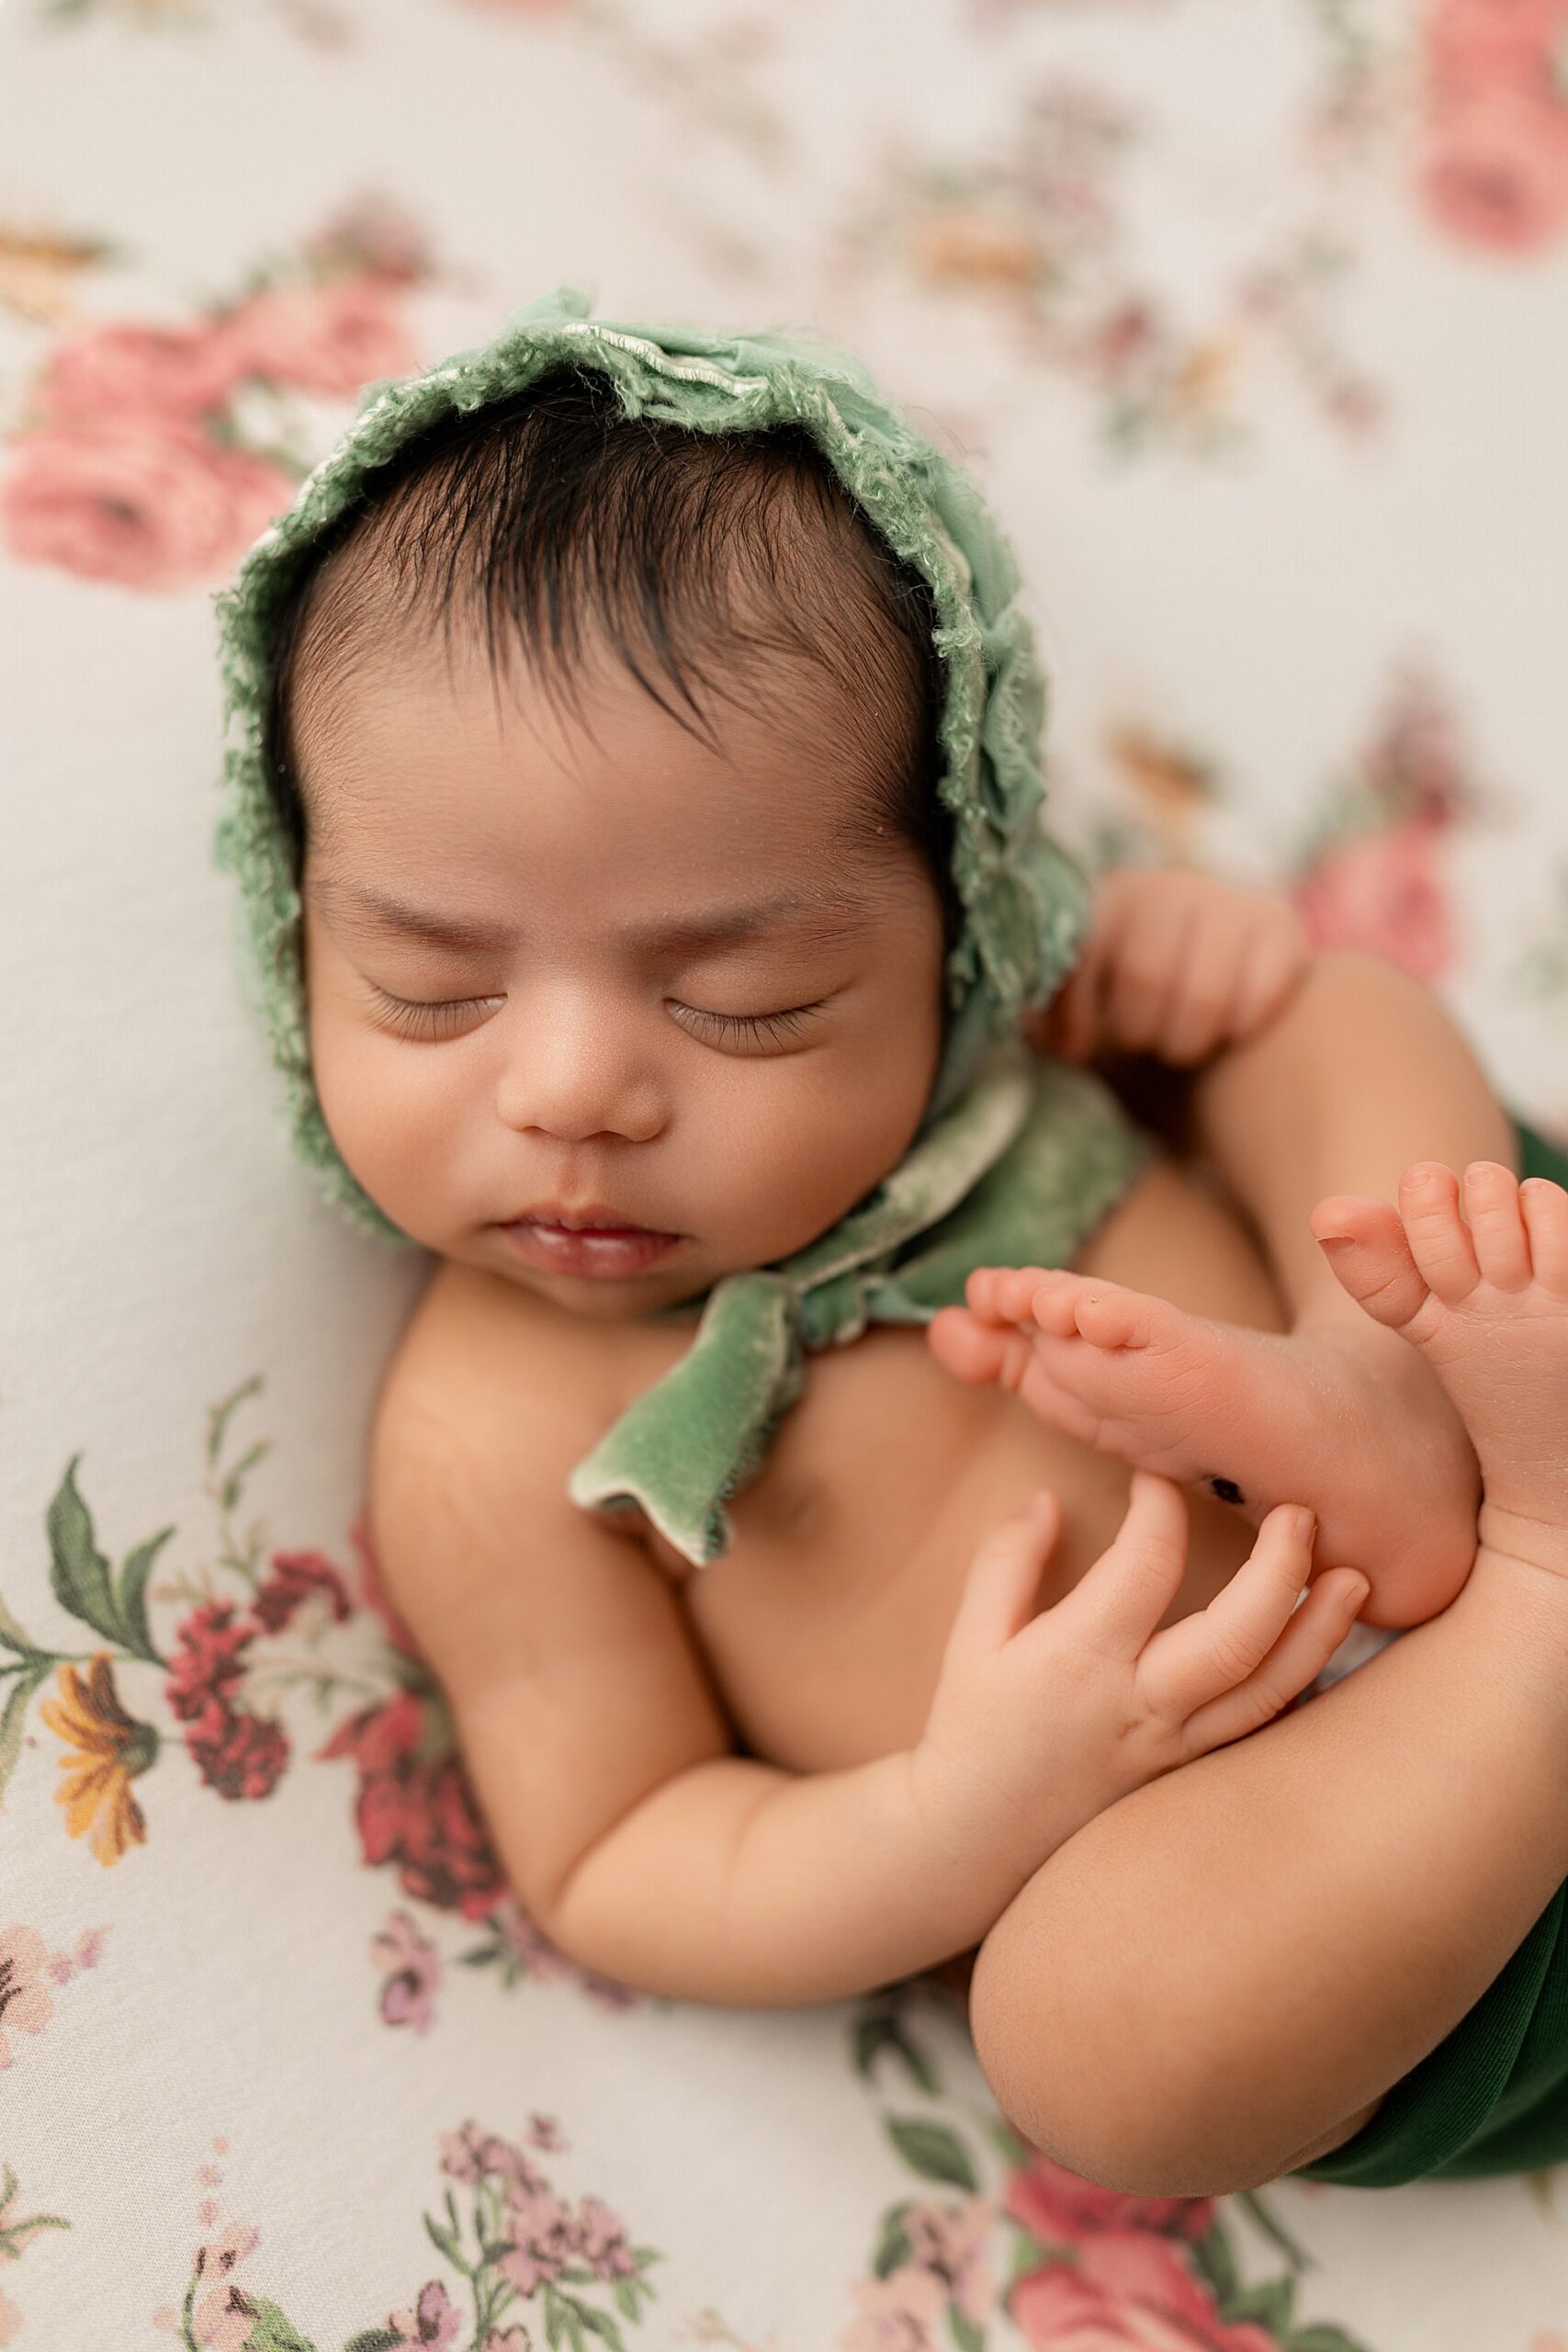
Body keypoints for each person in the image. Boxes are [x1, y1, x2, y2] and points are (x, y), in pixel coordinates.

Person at [211, 290, 1568, 2192]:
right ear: (300, 941)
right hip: (1348, 1917)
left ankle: (1375, 1393)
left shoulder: (1015, 1018)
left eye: (750, 998)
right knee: (1088, 2043)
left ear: (961, 908)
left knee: (1322, 1014)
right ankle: (1533, 1575)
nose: (576, 1090)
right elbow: (618, 1849)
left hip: (1449, 1407)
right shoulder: (488, 1421)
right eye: (431, 990)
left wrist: (1204, 963)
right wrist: (958, 1813)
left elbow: (1272, 1032)